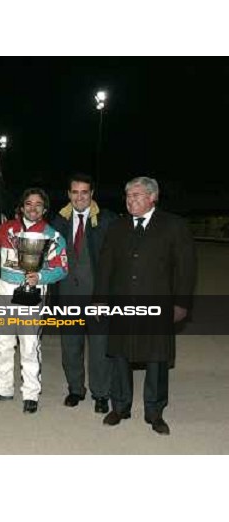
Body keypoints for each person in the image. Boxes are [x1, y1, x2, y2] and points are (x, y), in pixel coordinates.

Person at [94, 176, 196, 435]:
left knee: (157, 359)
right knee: (120, 356)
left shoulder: (174, 225)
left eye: (137, 195)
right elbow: (105, 267)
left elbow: (186, 269)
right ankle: (120, 407)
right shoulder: (117, 227)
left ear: (153, 198)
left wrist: (181, 304)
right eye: (128, 196)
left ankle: (155, 412)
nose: (131, 201)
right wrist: (100, 299)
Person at [0, 188, 68, 413]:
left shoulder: (52, 235)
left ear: (45, 209)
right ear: (21, 207)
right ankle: (3, 388)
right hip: (5, 289)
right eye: (29, 203)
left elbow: (62, 269)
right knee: (3, 343)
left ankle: (30, 393)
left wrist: (41, 276)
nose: (33, 208)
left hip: (33, 292)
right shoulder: (9, 228)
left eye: (38, 204)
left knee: (29, 345)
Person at [51, 172, 117, 414]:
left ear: (92, 194)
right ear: (69, 195)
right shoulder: (59, 221)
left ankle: (101, 393)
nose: (80, 197)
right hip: (68, 293)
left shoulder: (108, 220)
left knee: (100, 346)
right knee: (70, 345)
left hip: (97, 294)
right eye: (75, 192)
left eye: (84, 192)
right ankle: (76, 389)